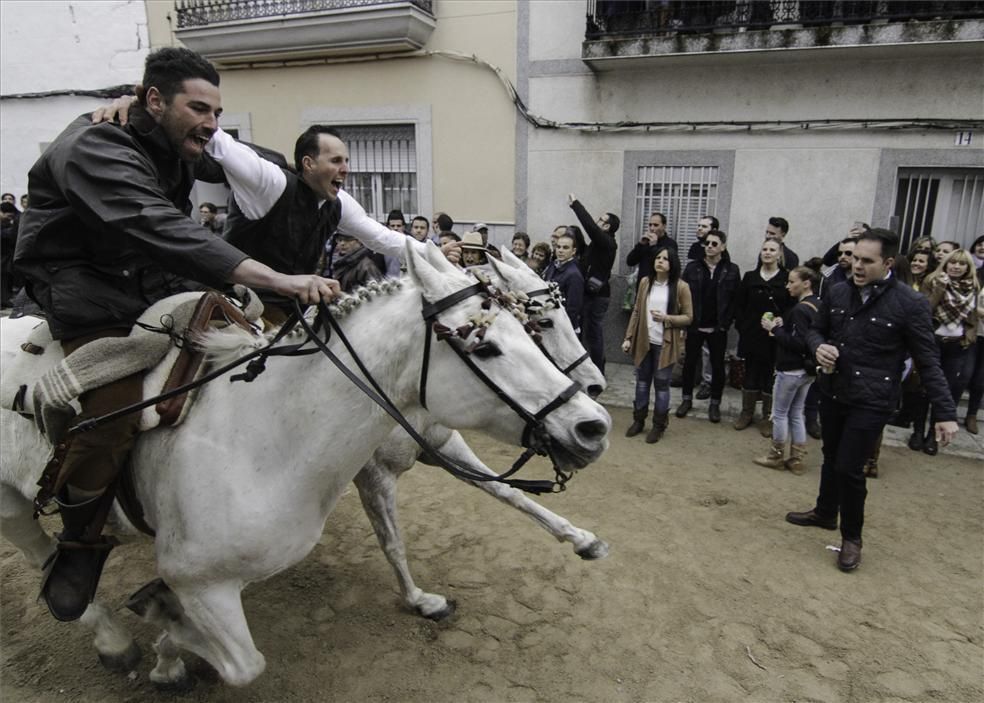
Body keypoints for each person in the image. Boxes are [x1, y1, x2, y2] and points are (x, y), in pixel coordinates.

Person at [13, 47, 340, 621]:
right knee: (112, 407)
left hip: (147, 284)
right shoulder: (94, 146)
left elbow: (250, 161)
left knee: (242, 352)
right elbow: (155, 224)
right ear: (156, 101)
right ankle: (81, 538)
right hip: (86, 291)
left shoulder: (177, 138)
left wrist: (255, 156)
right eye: (199, 109)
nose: (211, 124)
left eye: (217, 112)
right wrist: (273, 278)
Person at [786, 228, 959, 573]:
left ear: (889, 263)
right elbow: (814, 330)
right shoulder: (837, 292)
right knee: (832, 456)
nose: (857, 266)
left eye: (867, 261)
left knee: (850, 467)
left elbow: (928, 360)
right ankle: (824, 512)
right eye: (854, 259)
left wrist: (945, 412)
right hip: (835, 391)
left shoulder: (910, 303)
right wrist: (818, 346)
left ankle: (852, 538)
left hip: (874, 399)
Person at [622, 247, 692, 442]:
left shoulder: (681, 287)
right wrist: (628, 337)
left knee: (661, 385)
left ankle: (659, 426)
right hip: (645, 341)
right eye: (658, 258)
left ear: (672, 264)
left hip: (666, 344)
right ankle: (638, 420)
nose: (660, 261)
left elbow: (688, 317)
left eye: (665, 259)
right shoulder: (645, 282)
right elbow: (637, 311)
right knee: (642, 382)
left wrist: (667, 318)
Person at [755, 264, 820, 473]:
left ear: (806, 283)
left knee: (780, 414)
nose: (788, 286)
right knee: (797, 413)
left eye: (792, 282)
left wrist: (774, 329)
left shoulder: (801, 309)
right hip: (807, 372)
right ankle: (796, 459)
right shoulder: (817, 305)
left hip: (791, 369)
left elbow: (799, 343)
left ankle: (776, 455)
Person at [914, 248, 980, 455]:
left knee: (944, 390)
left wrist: (968, 337)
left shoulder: (972, 288)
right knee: (923, 388)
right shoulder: (933, 281)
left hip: (956, 344)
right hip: (933, 340)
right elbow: (924, 310)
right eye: (953, 262)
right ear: (946, 264)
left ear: (968, 268)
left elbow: (972, 319)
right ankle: (917, 432)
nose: (956, 267)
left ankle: (932, 436)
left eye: (962, 264)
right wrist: (940, 290)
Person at [676, 230, 741, 423]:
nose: (710, 247)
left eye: (714, 243)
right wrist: (683, 321)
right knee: (689, 364)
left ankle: (715, 403)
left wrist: (726, 323)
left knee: (718, 366)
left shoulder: (732, 270)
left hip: (718, 327)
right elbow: (682, 296)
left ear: (723, 246)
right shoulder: (692, 268)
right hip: (695, 325)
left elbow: (735, 299)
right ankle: (686, 400)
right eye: (707, 243)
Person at [733, 239, 791, 434]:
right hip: (751, 336)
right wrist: (742, 326)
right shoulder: (750, 277)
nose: (767, 252)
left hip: (774, 338)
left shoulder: (786, 278)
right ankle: (746, 413)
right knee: (750, 373)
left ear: (779, 253)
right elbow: (739, 305)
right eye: (764, 249)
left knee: (769, 376)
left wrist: (783, 320)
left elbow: (792, 307)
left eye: (772, 250)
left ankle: (767, 417)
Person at [568, 193, 618, 377]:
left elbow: (589, 226)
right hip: (588, 293)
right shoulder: (599, 243)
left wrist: (576, 205)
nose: (597, 221)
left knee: (593, 334)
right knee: (586, 333)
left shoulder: (607, 242)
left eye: (601, 220)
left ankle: (598, 372)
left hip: (597, 297)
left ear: (607, 226)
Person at [543, 229, 584, 333]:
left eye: (565, 248)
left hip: (564, 327)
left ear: (573, 251)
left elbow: (573, 308)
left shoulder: (574, 274)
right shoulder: (553, 265)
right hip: (550, 321)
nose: (560, 250)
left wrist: (562, 328)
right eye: (558, 247)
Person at [626, 212, 677, 280]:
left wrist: (653, 246)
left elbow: (668, 266)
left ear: (664, 226)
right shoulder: (646, 242)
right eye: (650, 225)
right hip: (643, 284)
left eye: (656, 225)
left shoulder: (671, 244)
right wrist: (640, 245)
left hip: (659, 284)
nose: (652, 228)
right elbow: (630, 261)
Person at [1, 201, 20, 307]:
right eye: (8, 216)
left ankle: (4, 299)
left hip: (6, 258)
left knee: (5, 279)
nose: (10, 218)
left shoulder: (8, 224)